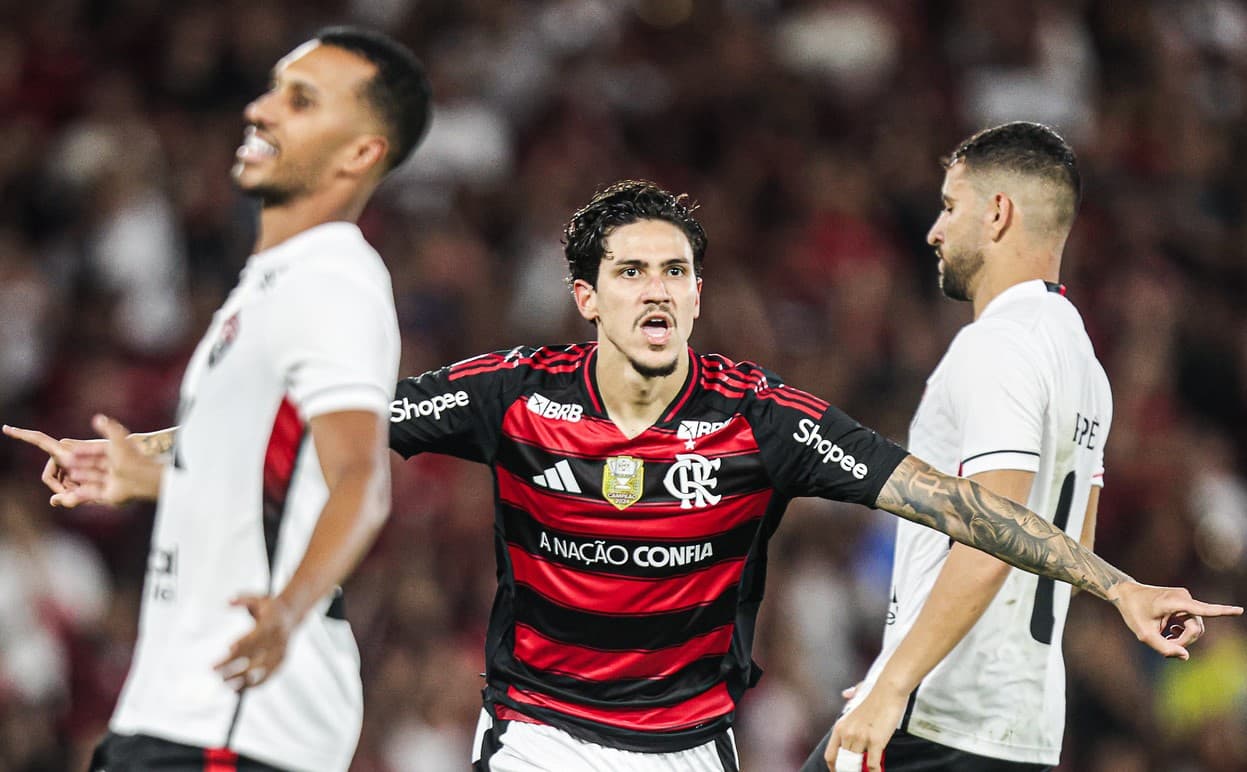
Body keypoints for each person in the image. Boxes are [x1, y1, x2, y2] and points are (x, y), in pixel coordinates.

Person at [14, 180, 1241, 772]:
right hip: (539, 738)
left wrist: (1115, 583)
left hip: (687, 750)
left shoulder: (763, 421)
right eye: (633, 272)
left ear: (697, 294)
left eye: (676, 272)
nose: (657, 291)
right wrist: (146, 462)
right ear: (590, 297)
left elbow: (963, 504)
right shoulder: (510, 393)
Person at [4, 26, 430, 772]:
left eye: (300, 101)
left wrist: (286, 613)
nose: (261, 110)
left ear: (359, 151)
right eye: (271, 89)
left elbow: (361, 481)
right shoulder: (265, 288)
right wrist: (141, 465)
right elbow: (260, 463)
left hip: (238, 712)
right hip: (177, 706)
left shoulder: (332, 277)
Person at [799, 122, 1135, 772]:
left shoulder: (996, 347)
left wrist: (896, 682)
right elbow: (1071, 549)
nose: (934, 229)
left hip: (940, 715)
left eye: (950, 206)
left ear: (998, 212)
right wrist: (905, 656)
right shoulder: (1084, 366)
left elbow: (992, 538)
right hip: (1020, 724)